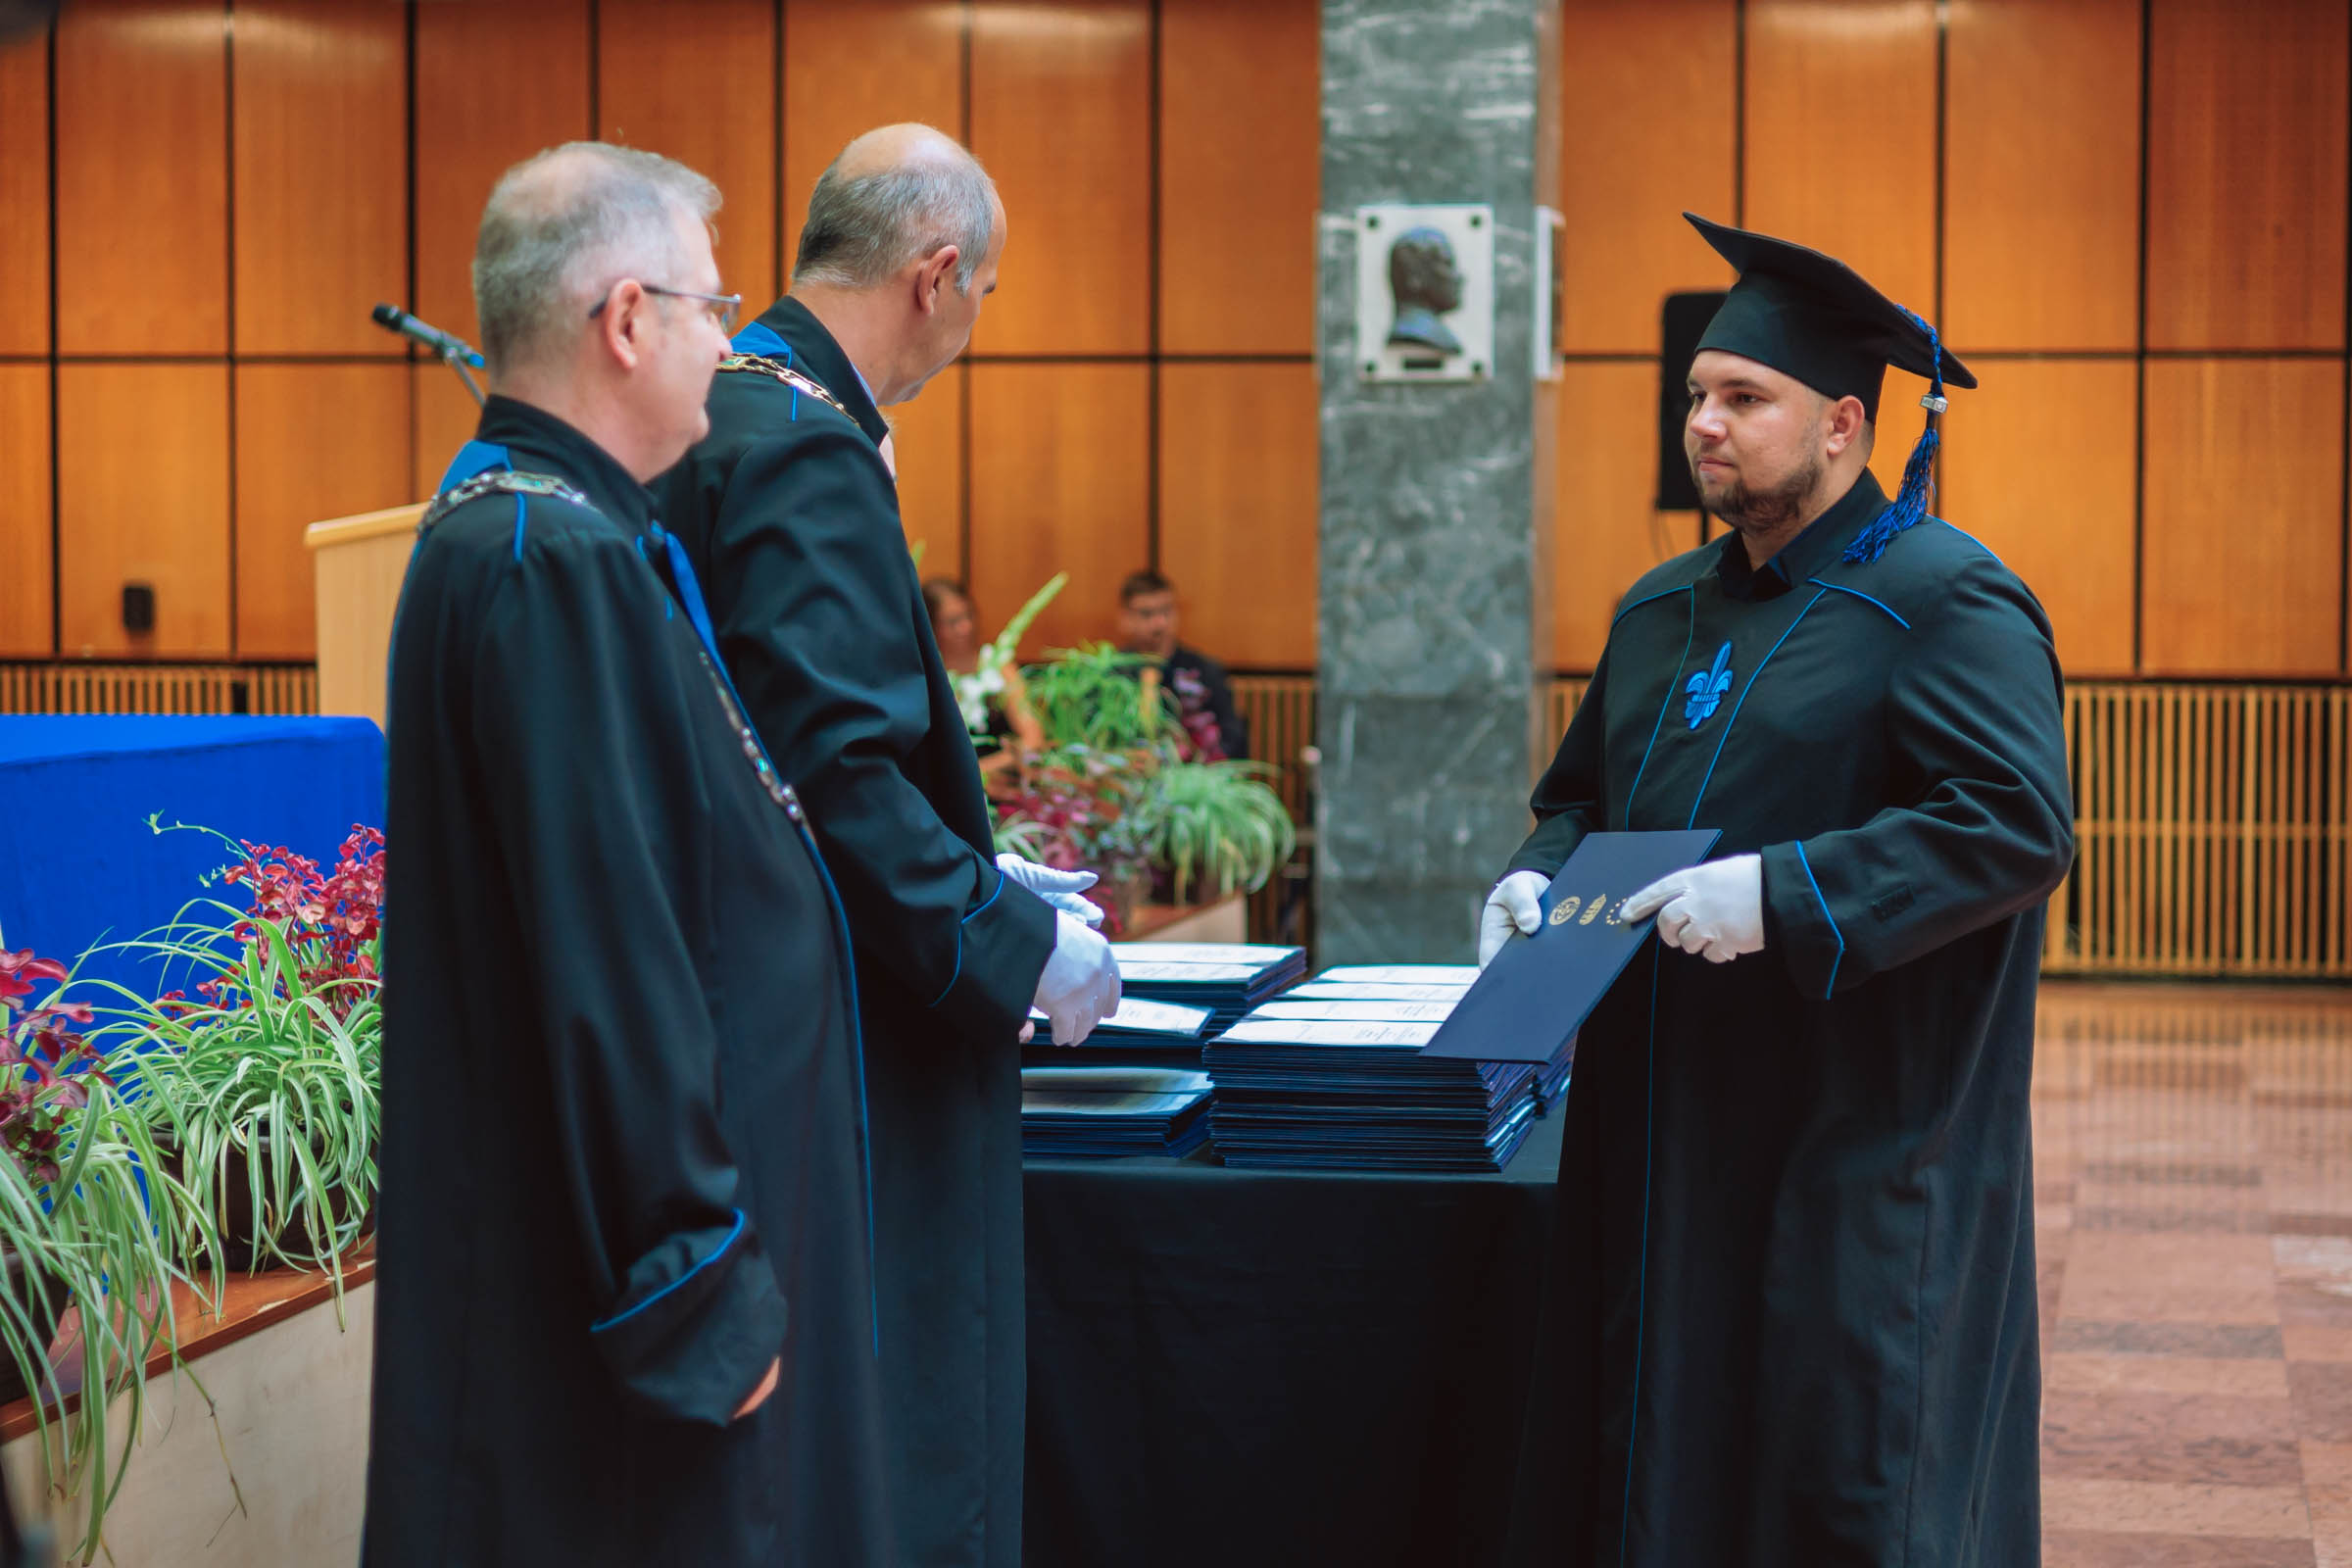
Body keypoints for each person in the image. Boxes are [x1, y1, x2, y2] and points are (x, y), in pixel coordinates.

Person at [1483, 214, 2073, 1566]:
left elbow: (2013, 822)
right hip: (1657, 1134)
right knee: (1655, 1455)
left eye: (1745, 398)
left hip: (1849, 1134)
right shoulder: (1658, 609)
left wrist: (1787, 893)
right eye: (1697, 394)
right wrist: (1531, 880)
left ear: (1844, 427)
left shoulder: (1947, 597)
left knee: (1841, 1467)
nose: (1705, 423)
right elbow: (1580, 803)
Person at [366, 143, 896, 1564]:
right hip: (628, 1327)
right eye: (711, 309)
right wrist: (694, 1281)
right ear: (624, 319)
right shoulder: (545, 556)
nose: (727, 342)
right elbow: (612, 951)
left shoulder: (561, 529)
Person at [659, 123, 1116, 1568]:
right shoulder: (809, 446)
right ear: (936, 274)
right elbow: (837, 779)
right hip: (841, 1036)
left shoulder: (727, 406)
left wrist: (983, 867)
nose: (977, 319)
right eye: (986, 291)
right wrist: (1013, 944)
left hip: (735, 986)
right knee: (900, 1421)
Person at [923, 576, 1047, 787]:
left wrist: (979, 771)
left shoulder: (999, 664)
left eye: (968, 615)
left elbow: (1033, 738)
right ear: (931, 627)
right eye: (952, 622)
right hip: (948, 787)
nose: (965, 627)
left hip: (1003, 780)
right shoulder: (927, 677)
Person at [1115, 568, 1249, 761]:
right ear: (1125, 619)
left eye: (1166, 611)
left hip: (1193, 772)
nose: (1160, 623)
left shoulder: (1205, 671)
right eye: (1146, 614)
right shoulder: (1110, 675)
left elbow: (1233, 740)